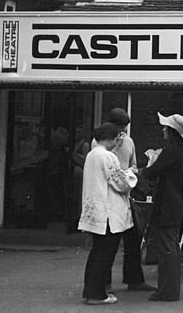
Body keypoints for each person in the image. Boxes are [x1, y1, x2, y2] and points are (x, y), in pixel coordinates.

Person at [78, 122, 137, 306]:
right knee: (105, 255)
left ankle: (91, 291)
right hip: (109, 214)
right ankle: (97, 294)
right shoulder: (108, 156)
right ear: (111, 138)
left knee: (96, 253)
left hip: (95, 212)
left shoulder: (91, 155)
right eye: (117, 138)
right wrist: (131, 174)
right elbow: (120, 183)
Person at [138, 112, 183, 301]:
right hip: (174, 204)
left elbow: (153, 172)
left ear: (171, 131)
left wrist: (141, 170)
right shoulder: (181, 150)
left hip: (166, 204)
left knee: (166, 249)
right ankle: (169, 289)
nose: (163, 129)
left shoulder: (171, 150)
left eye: (166, 127)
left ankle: (167, 291)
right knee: (171, 248)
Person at [104, 108, 155, 292]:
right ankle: (104, 283)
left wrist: (131, 174)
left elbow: (133, 166)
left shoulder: (129, 142)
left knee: (134, 239)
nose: (122, 133)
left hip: (126, 196)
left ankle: (134, 280)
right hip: (108, 198)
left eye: (124, 129)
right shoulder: (99, 143)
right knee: (108, 242)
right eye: (120, 128)